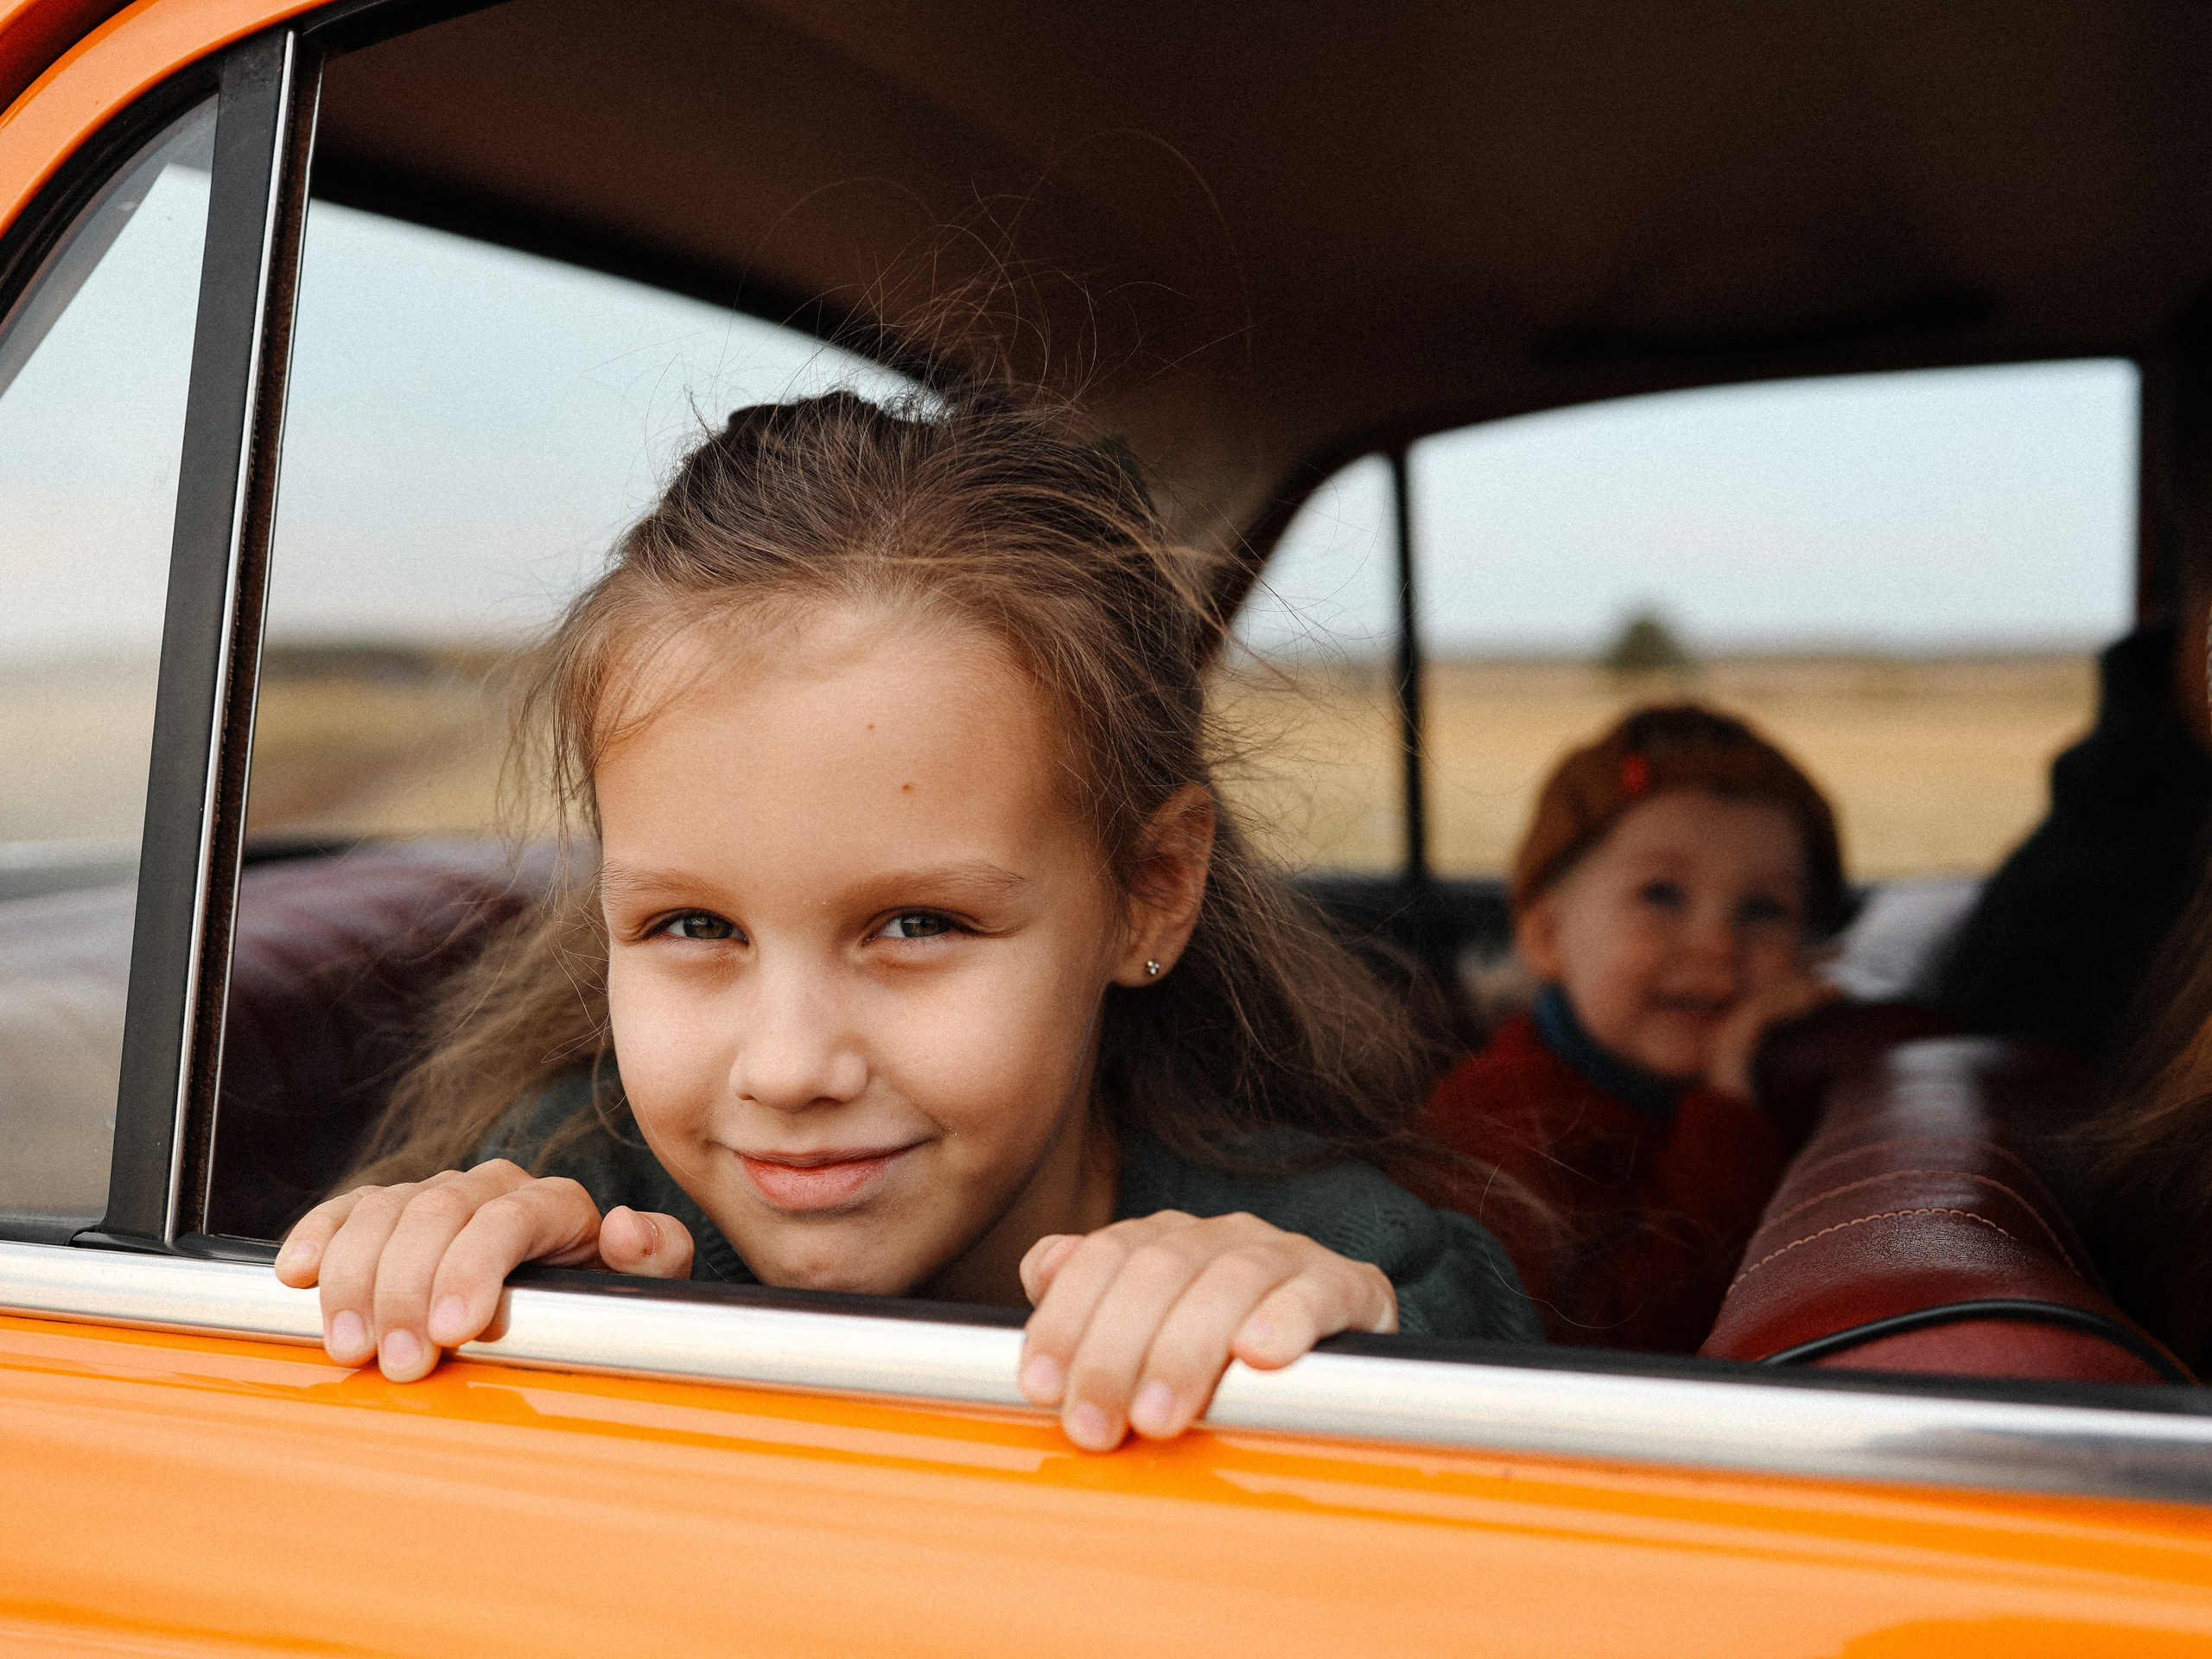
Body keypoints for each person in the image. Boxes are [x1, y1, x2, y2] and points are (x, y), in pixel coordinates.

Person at [273, 386, 1541, 1452]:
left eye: (919, 925)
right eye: (692, 929)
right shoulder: (562, 1203)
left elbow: (1506, 1444)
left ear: (1151, 890)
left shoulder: (1334, 1256)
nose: (790, 1067)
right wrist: (414, 1279)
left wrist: (1331, 1347)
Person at [1413, 705, 1847, 1351]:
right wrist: (1727, 1110)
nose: (1717, 945)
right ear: (1548, 935)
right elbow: (1609, 1340)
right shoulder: (1500, 1124)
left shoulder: (1793, 1085)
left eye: (1763, 909)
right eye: (1662, 895)